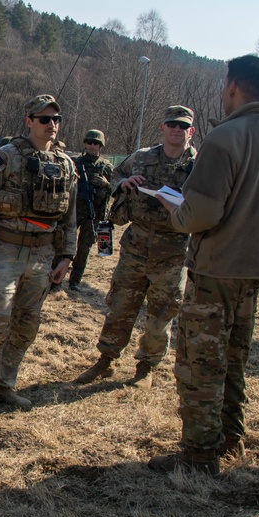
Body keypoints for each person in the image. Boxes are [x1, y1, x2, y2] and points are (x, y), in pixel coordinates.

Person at [149, 55, 259, 475]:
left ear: (233, 85)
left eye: (224, 85)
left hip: (215, 270)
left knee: (200, 362)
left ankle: (200, 456)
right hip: (257, 270)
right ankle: (230, 439)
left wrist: (172, 209)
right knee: (234, 356)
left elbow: (200, 213)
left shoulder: (225, 138)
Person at [0, 94, 77, 414]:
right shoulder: (5, 157)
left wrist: (66, 257)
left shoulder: (66, 164)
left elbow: (70, 217)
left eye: (56, 119)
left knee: (27, 324)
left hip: (43, 255)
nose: (51, 125)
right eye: (44, 119)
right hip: (6, 251)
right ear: (29, 121)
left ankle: (5, 386)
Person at [74, 107, 198, 390]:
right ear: (162, 127)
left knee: (161, 314)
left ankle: (146, 366)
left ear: (191, 131)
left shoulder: (199, 165)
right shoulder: (143, 157)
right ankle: (106, 360)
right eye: (172, 124)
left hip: (173, 249)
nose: (177, 129)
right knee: (120, 306)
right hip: (136, 245)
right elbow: (115, 173)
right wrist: (122, 183)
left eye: (183, 126)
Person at [62, 129, 114, 291]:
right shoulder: (74, 162)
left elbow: (117, 190)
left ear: (101, 146)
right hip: (74, 211)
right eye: (89, 142)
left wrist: (106, 184)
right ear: (85, 144)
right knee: (64, 245)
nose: (92, 146)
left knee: (84, 249)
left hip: (94, 214)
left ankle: (75, 281)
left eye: (96, 143)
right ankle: (56, 278)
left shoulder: (107, 167)